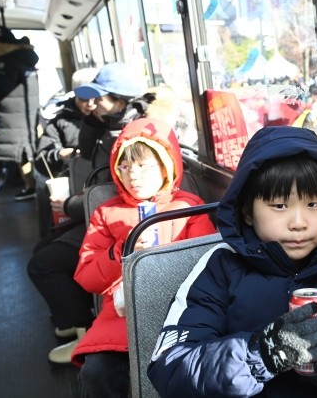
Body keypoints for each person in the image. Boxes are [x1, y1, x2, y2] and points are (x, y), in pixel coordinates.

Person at [147, 126, 317, 397]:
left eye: (313, 204)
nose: (299, 223)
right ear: (248, 212)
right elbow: (169, 367)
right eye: (279, 205)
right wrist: (261, 355)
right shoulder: (220, 269)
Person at [71, 116, 216, 398]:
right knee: (96, 373)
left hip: (183, 307)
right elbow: (86, 277)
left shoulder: (188, 207)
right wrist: (122, 251)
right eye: (124, 167)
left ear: (165, 166)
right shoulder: (107, 212)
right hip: (123, 314)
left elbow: (208, 261)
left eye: (142, 166)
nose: (132, 176)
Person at [27, 62, 149, 364]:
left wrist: (69, 205)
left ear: (121, 101)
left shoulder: (129, 136)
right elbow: (85, 156)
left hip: (121, 218)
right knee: (44, 249)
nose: (92, 103)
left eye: (100, 98)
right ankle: (71, 319)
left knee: (44, 264)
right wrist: (94, 121)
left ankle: (84, 331)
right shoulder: (106, 126)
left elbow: (116, 189)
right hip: (102, 212)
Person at [33, 68, 99, 237]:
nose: (91, 104)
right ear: (75, 95)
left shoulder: (108, 121)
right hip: (73, 186)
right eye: (84, 98)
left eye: (96, 98)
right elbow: (42, 159)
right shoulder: (60, 121)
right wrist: (59, 155)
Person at [0, 27, 40, 201]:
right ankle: (33, 185)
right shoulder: (26, 59)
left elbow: (3, 88)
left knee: (22, 154)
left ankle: (30, 186)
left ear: (4, 44)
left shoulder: (7, 63)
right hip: (27, 112)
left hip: (14, 114)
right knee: (28, 150)